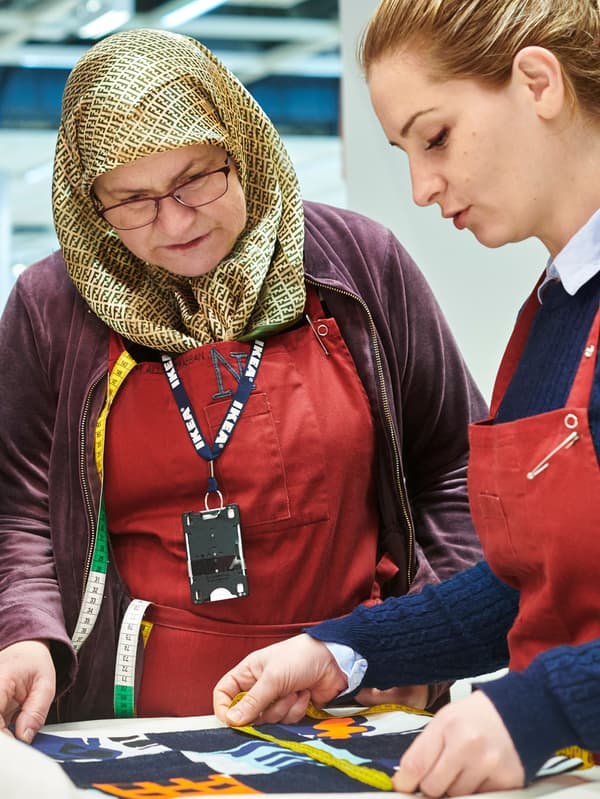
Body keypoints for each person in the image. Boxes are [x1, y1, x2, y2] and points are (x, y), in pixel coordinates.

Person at [0, 28, 486, 743]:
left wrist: (421, 640)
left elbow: (457, 469)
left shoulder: (358, 264)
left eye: (195, 179)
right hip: (130, 731)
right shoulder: (51, 306)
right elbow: (20, 516)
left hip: (359, 707)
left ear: (243, 146)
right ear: (87, 201)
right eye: (130, 200)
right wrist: (25, 634)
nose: (172, 221)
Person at [213, 0, 600, 795]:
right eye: (404, 154)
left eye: (436, 137)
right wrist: (343, 649)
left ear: (537, 82)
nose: (423, 188)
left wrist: (543, 707)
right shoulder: (554, 314)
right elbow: (534, 579)